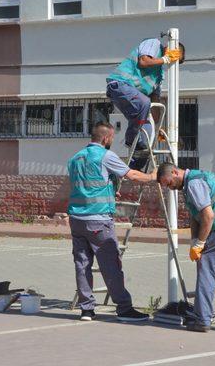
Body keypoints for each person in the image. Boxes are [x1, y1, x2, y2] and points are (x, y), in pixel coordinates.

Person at [67, 122, 157, 322]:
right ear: (106, 138)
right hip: (98, 219)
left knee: (82, 265)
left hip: (77, 219)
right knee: (111, 265)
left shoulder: (75, 158)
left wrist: (109, 188)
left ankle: (87, 310)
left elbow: (86, 184)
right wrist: (152, 176)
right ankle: (124, 308)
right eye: (112, 139)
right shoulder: (105, 156)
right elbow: (132, 174)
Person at [157, 163, 215, 333]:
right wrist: (194, 241)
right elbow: (196, 216)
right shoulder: (199, 178)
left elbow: (208, 216)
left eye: (169, 183)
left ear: (174, 172)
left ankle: (203, 320)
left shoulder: (193, 184)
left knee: (206, 267)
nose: (169, 188)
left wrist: (201, 244)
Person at [106, 37, 185, 169]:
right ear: (169, 48)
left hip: (132, 97)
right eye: (173, 55)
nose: (171, 59)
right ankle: (131, 141)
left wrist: (157, 128)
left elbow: (155, 102)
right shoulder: (153, 44)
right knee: (144, 102)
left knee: (148, 135)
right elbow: (143, 61)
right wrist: (165, 58)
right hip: (119, 84)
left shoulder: (159, 76)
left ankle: (136, 165)